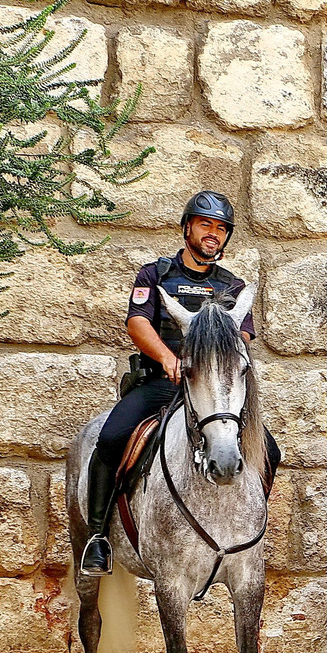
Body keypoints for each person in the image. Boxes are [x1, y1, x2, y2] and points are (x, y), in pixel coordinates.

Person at [80, 191, 280, 577]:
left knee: (269, 450)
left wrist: (214, 365)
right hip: (160, 384)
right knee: (110, 439)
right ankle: (98, 538)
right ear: (188, 227)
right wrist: (168, 359)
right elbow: (137, 323)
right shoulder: (155, 275)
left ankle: (248, 527)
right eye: (205, 225)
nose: (213, 234)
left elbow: (243, 339)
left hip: (210, 393)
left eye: (221, 229)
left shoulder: (232, 287)